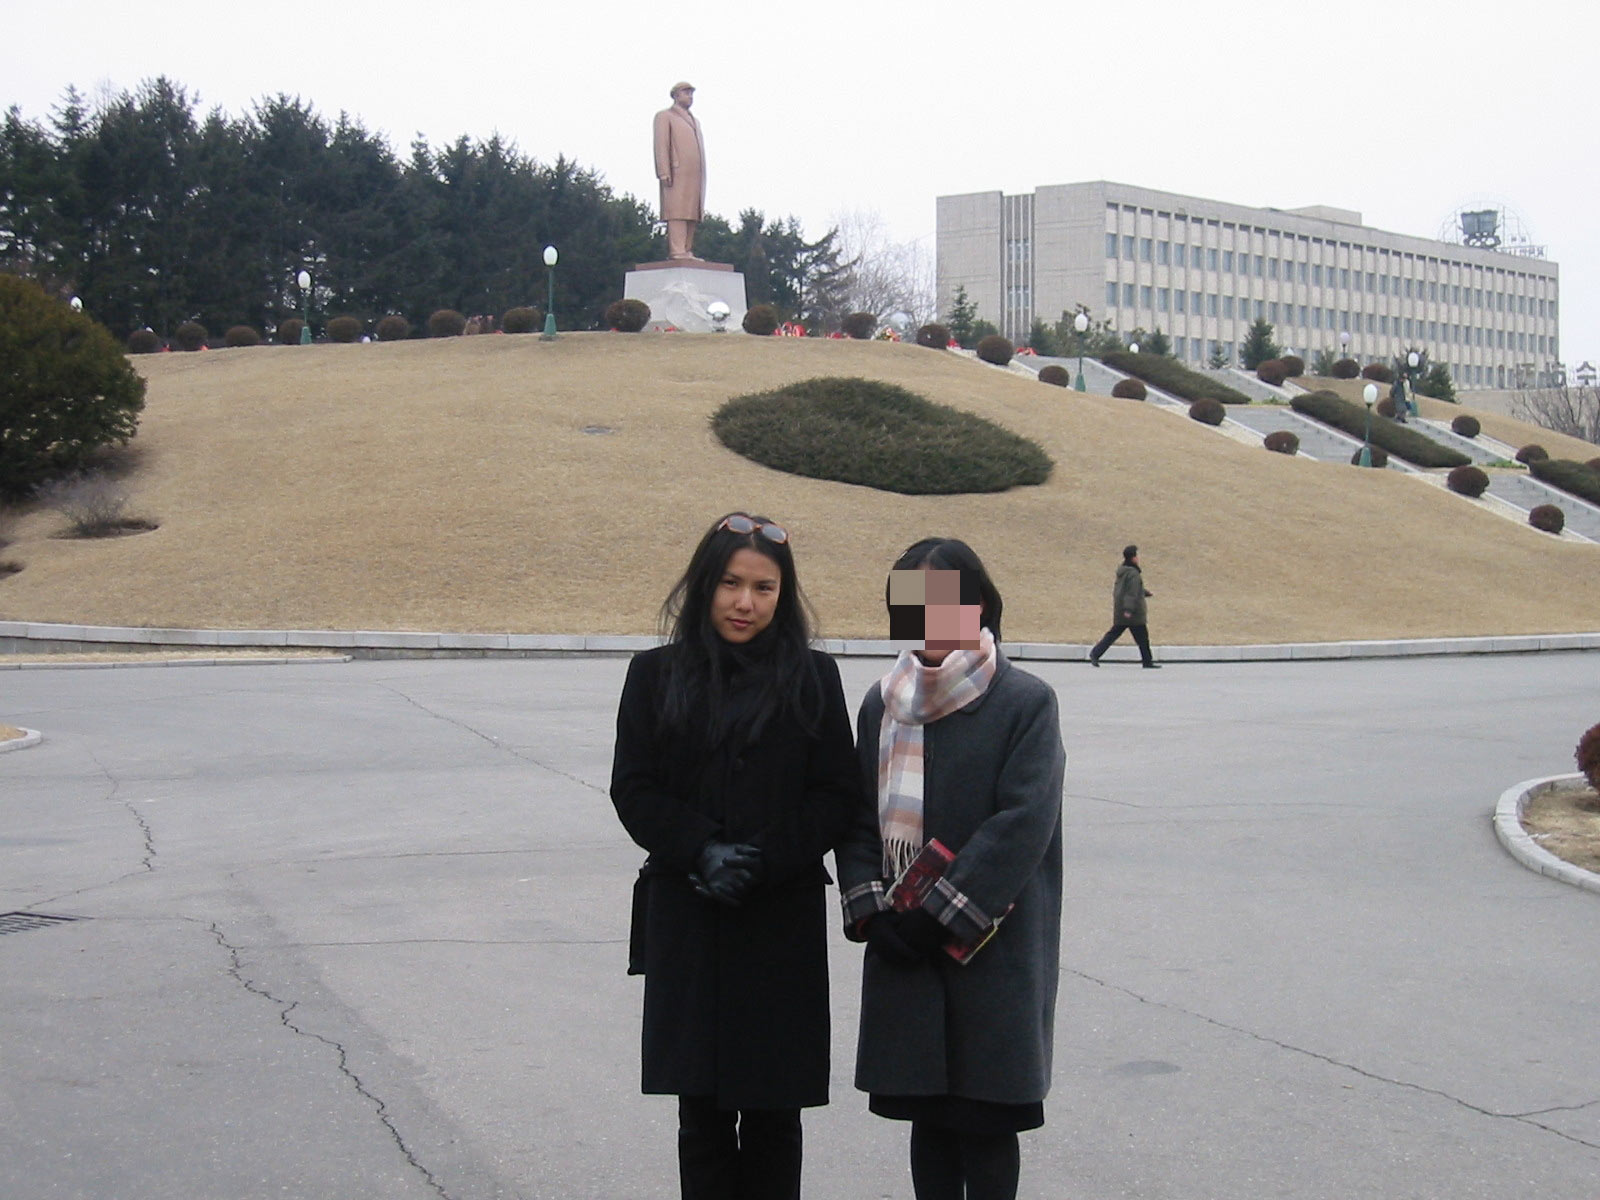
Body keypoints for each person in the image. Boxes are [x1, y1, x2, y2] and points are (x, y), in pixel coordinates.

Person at [609, 512, 858, 1200]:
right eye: (730, 583)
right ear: (703, 585)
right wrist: (701, 849)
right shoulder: (655, 675)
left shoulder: (813, 677)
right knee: (704, 1115)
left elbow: (837, 794)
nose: (745, 602)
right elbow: (633, 787)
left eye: (765, 588)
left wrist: (764, 858)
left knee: (778, 1117)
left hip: (781, 922)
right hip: (691, 914)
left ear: (784, 595)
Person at [837, 537, 1066, 1200]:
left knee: (987, 1124)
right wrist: (870, 910)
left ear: (977, 604)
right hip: (905, 946)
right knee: (929, 1118)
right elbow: (857, 816)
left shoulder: (1024, 702)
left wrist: (936, 916)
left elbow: (1022, 826)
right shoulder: (883, 705)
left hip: (991, 945)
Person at [653, 81, 706, 261]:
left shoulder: (695, 121)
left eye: (691, 93)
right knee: (677, 211)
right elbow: (661, 144)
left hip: (695, 174)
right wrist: (663, 171)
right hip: (676, 172)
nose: (690, 97)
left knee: (692, 212)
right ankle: (677, 250)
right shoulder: (665, 116)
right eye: (686, 93)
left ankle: (687, 249)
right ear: (676, 95)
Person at [1088, 544, 1159, 668]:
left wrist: (1145, 593)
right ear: (1133, 558)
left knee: (1113, 634)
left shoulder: (1123, 571)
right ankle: (1147, 662)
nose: (1138, 558)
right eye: (1136, 555)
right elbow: (1131, 593)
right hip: (1133, 613)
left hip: (1122, 610)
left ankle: (1095, 653)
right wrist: (1129, 610)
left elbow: (1130, 589)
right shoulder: (1133, 574)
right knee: (1142, 638)